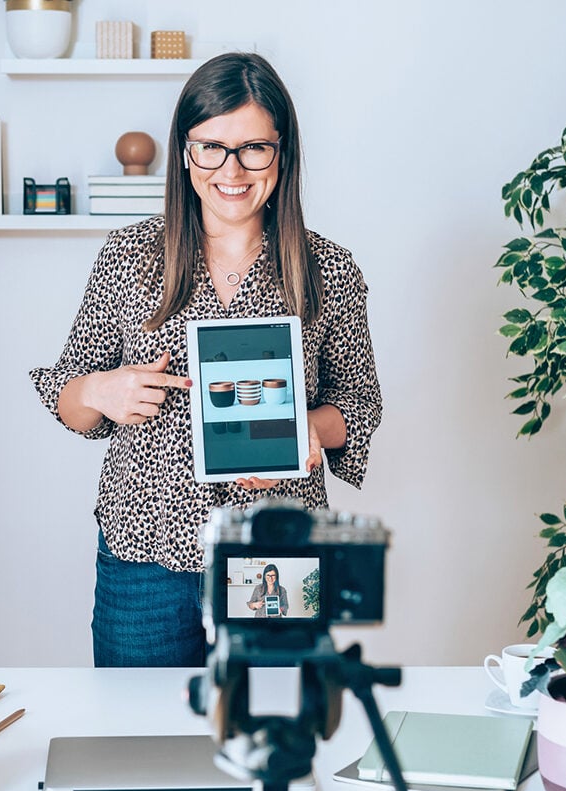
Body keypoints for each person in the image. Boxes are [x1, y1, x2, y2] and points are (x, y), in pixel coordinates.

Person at [29, 52, 382, 668]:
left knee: (270, 718)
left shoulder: (329, 269)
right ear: (185, 152)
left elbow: (358, 403)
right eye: (212, 147)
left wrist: (307, 429)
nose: (231, 170)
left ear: (282, 153)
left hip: (275, 546)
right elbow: (69, 400)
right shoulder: (128, 256)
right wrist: (98, 391)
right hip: (144, 555)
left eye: (254, 148)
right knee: (137, 725)